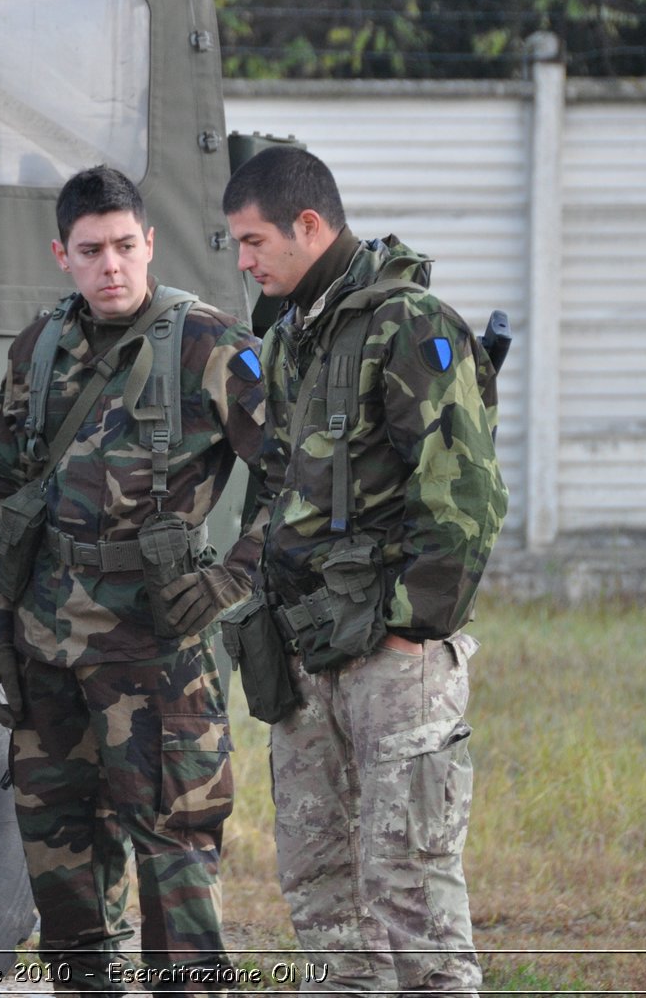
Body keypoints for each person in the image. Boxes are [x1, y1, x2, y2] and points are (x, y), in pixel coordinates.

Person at [0, 165, 267, 993]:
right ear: (61, 254)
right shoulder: (38, 349)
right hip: (47, 652)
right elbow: (4, 508)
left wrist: (231, 579)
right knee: (61, 862)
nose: (112, 266)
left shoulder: (211, 346)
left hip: (156, 652)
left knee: (175, 855)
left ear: (151, 244)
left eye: (127, 246)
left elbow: (299, 479)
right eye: (92, 249)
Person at [222, 145, 507, 993]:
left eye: (252, 241)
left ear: (308, 225)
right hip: (308, 653)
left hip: (393, 661)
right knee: (322, 896)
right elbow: (275, 485)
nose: (242, 260)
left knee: (410, 894)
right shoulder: (292, 337)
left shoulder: (409, 325)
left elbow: (465, 504)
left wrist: (410, 630)